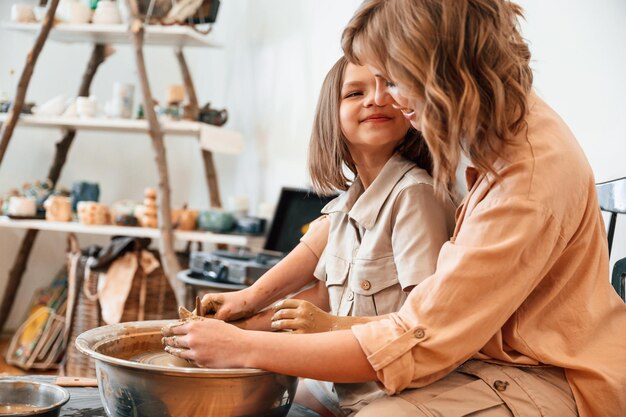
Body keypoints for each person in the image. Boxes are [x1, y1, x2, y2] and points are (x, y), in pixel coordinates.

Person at [163, 1, 626, 416]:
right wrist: (249, 309)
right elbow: (330, 241)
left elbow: (418, 337)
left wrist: (247, 347)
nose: (392, 100)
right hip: (480, 355)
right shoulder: (493, 128)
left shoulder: (522, 181)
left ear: (438, 66)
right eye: (365, 87)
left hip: (550, 374)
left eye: (395, 80)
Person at [172, 56, 454, 415]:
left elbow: (422, 325)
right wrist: (239, 319)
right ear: (329, 117)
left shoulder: (414, 196)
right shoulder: (345, 207)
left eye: (390, 87)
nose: (376, 99)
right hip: (344, 384)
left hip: (394, 391)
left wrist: (251, 337)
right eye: (355, 92)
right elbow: (324, 293)